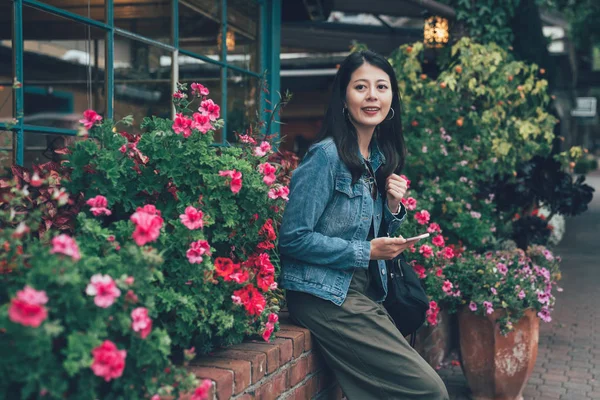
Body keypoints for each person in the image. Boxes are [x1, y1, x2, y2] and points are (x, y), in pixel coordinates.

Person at [278, 50, 449, 400]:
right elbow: (293, 239)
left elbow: (362, 230)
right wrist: (365, 251)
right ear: (344, 98)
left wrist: (391, 205)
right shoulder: (325, 157)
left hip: (361, 292)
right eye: (361, 87)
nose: (372, 95)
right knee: (430, 391)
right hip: (324, 293)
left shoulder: (376, 159)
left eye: (381, 87)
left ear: (391, 99)